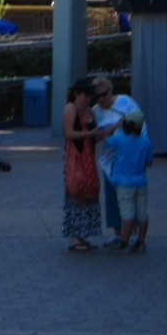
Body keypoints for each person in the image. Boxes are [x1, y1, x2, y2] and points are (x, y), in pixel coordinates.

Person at [92, 76, 147, 249]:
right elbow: (96, 135)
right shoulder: (96, 110)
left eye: (105, 94)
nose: (102, 99)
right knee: (112, 195)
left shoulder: (125, 102)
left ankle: (132, 233)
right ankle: (117, 233)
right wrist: (112, 128)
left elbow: (140, 124)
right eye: (98, 96)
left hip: (129, 157)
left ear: (110, 90)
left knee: (131, 196)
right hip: (110, 158)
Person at [62, 78, 105, 252]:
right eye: (85, 96)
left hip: (88, 157)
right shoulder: (70, 109)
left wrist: (107, 131)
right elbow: (68, 133)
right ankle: (74, 237)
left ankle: (82, 235)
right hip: (76, 157)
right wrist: (91, 133)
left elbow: (95, 137)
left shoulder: (90, 112)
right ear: (77, 94)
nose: (88, 99)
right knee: (75, 191)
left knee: (88, 192)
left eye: (90, 96)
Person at [103, 108, 153, 254]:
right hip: (141, 182)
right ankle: (141, 242)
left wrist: (114, 126)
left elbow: (105, 139)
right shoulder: (145, 142)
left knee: (127, 213)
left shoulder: (119, 140)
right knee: (142, 213)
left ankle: (124, 242)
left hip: (124, 184)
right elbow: (149, 162)